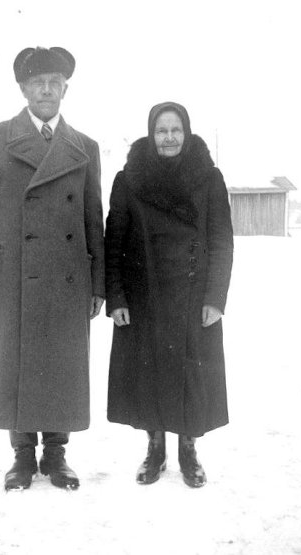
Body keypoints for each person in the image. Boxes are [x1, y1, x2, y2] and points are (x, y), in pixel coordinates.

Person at [0, 47, 105, 491]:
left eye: (54, 82)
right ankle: (22, 456)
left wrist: (98, 284)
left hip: (67, 277)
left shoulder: (85, 147)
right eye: (38, 82)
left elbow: (92, 220)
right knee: (15, 364)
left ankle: (56, 454)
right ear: (23, 89)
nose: (46, 89)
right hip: (10, 279)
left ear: (65, 89)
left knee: (61, 364)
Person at [105, 101, 233, 487]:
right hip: (144, 296)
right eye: (162, 130)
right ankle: (155, 449)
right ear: (151, 134)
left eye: (176, 129)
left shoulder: (209, 178)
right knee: (149, 375)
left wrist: (215, 297)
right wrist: (116, 297)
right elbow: (114, 241)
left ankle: (188, 451)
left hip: (194, 295)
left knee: (191, 376)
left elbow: (222, 240)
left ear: (187, 133)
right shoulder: (129, 179)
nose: (169, 137)